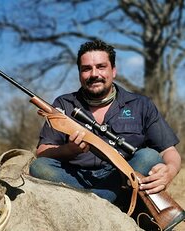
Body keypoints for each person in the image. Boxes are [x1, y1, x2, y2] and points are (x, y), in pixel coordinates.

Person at [29, 40, 182, 208]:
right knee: (39, 167)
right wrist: (69, 150)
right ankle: (107, 203)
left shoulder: (141, 104)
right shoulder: (63, 104)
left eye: (101, 67)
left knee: (149, 156)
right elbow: (42, 152)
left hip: (123, 179)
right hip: (76, 180)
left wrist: (170, 171)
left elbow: (169, 151)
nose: (94, 74)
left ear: (113, 71)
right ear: (80, 73)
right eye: (86, 69)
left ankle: (92, 204)